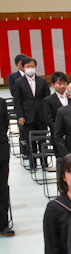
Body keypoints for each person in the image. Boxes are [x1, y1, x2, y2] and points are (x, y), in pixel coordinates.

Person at [12, 56, 49, 167]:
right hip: (27, 116)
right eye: (28, 66)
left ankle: (44, 163)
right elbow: (17, 101)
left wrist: (47, 114)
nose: (30, 68)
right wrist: (20, 116)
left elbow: (47, 98)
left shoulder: (42, 81)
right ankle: (33, 164)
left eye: (32, 66)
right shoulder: (19, 82)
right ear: (23, 68)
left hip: (41, 115)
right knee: (30, 142)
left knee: (43, 140)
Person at [0, 95, 12, 237]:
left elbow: (5, 124)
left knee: (2, 188)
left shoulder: (1, 102)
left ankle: (3, 224)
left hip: (1, 149)